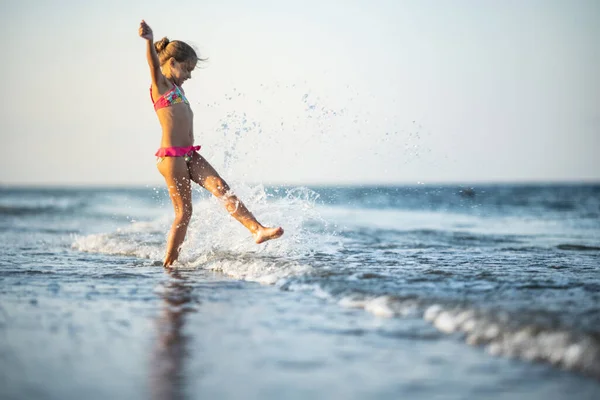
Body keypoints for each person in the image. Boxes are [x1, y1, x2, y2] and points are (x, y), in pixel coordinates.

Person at [138, 20, 283, 267]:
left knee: (221, 187)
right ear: (171, 63)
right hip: (172, 158)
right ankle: (169, 264)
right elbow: (153, 64)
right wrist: (149, 41)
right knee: (184, 213)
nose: (189, 75)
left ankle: (257, 229)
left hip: (189, 154)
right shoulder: (160, 85)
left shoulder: (177, 88)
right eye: (187, 69)